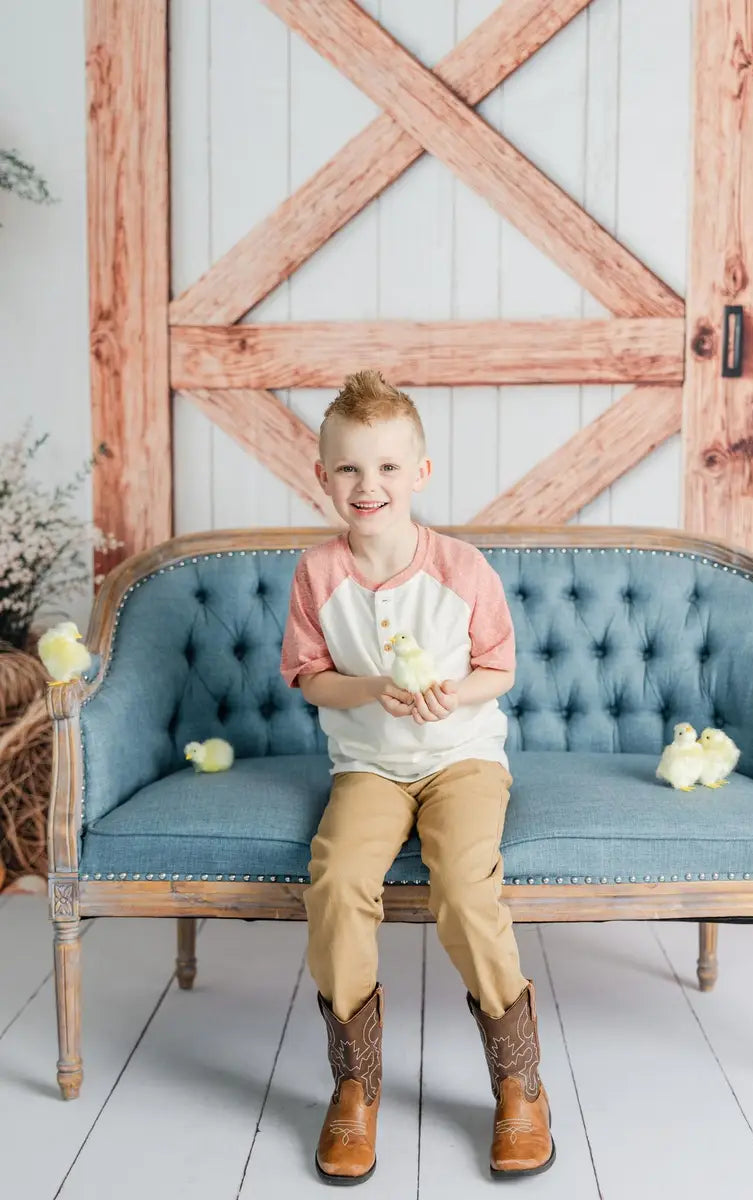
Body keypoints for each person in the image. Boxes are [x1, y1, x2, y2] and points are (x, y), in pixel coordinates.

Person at [280, 370, 555, 1184]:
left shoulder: (461, 566)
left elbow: (498, 668)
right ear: (323, 475)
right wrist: (370, 690)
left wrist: (449, 694)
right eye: (350, 469)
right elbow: (309, 674)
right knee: (335, 880)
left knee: (466, 887)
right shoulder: (317, 573)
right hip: (368, 764)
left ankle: (519, 1082)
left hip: (461, 759)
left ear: (420, 474)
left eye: (388, 468)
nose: (369, 486)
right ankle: (355, 1085)